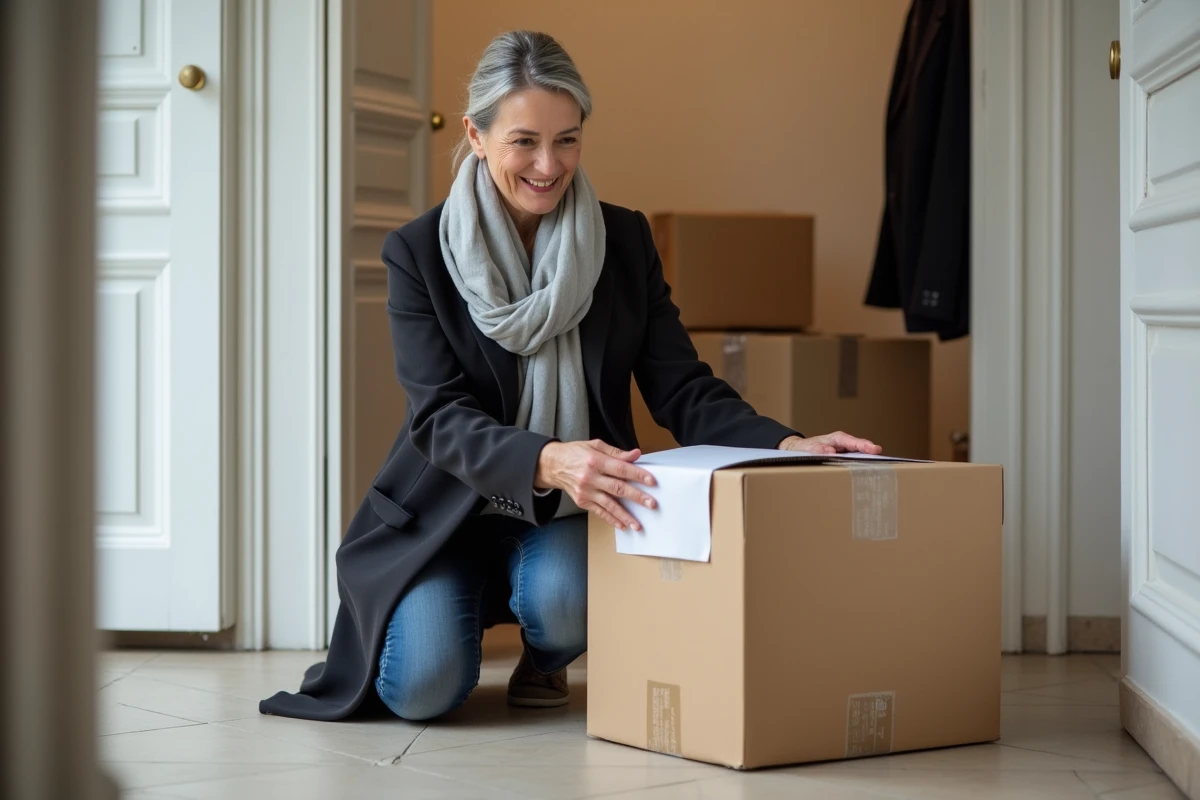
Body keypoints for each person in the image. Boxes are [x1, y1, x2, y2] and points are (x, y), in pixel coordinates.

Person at [260, 30, 881, 724]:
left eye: (568, 140)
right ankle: (452, 606)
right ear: (476, 133)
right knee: (422, 691)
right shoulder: (416, 253)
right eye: (524, 140)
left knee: (564, 603)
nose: (548, 166)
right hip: (444, 511)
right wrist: (550, 458)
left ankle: (546, 656)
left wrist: (787, 445)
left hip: (566, 515)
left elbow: (682, 386)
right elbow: (439, 416)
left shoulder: (623, 242)